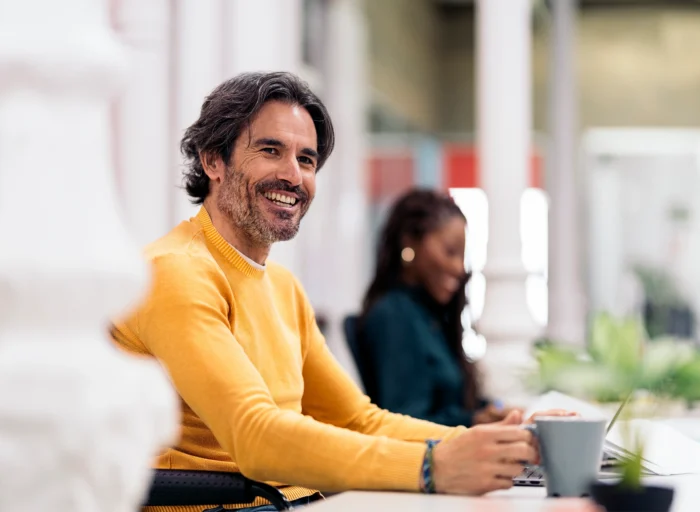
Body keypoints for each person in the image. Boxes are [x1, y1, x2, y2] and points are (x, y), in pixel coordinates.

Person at [111, 71, 566, 512]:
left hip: (298, 500)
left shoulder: (283, 287)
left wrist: (500, 444)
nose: (294, 176)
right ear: (213, 161)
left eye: (306, 160)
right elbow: (255, 435)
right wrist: (429, 467)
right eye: (271, 150)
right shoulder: (174, 273)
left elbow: (356, 420)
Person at [357, 189, 514, 427]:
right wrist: (474, 421)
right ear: (409, 243)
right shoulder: (394, 316)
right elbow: (405, 419)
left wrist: (496, 411)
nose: (460, 268)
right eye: (450, 252)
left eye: (462, 256)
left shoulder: (430, 316)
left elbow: (452, 402)